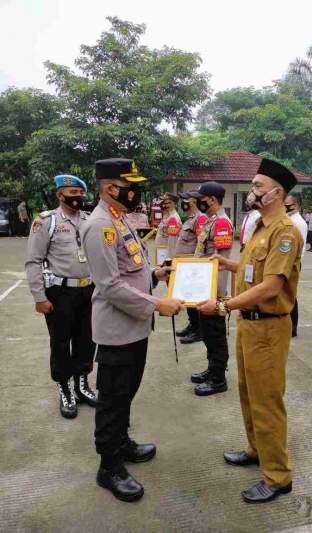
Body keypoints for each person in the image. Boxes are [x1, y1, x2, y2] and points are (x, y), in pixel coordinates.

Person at [198, 158, 302, 504]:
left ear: (277, 192)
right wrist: (224, 263)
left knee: (267, 401)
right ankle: (256, 450)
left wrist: (226, 305)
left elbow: (271, 286)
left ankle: (277, 476)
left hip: (269, 329)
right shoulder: (260, 226)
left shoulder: (284, 231)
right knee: (247, 393)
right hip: (249, 326)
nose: (252, 191)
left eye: (258, 186)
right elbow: (250, 270)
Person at [81, 158, 183, 502]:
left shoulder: (118, 217)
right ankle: (108, 467)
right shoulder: (99, 226)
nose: (137, 191)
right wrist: (157, 304)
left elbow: (131, 267)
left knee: (126, 392)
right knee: (112, 399)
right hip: (116, 330)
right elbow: (109, 285)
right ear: (111, 188)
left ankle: (121, 443)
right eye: (131, 185)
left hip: (134, 327)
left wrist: (156, 275)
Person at [25, 175, 97, 419]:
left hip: (89, 290)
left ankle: (82, 384)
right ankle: (65, 388)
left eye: (79, 193)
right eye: (71, 193)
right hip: (60, 293)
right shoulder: (47, 222)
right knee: (60, 342)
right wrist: (38, 296)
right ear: (59, 195)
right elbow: (34, 260)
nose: (77, 197)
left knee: (87, 339)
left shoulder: (89, 220)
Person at [190, 181, 233, 396]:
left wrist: (213, 294)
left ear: (212, 200)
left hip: (213, 289)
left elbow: (219, 260)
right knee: (207, 334)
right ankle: (211, 368)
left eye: (201, 198)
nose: (199, 202)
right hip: (202, 286)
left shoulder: (222, 223)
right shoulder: (210, 221)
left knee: (215, 335)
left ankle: (219, 378)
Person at [175, 191, 208, 344]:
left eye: (186, 200)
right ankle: (193, 325)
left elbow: (201, 244)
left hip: (193, 267)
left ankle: (198, 330)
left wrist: (196, 266)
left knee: (194, 301)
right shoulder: (190, 219)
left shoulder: (200, 218)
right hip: (185, 267)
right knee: (188, 299)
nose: (183, 203)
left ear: (194, 202)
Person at [284, 193, 307, 337]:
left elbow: (300, 248)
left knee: (290, 294)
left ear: (296, 205)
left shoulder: (298, 222)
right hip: (285, 261)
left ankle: (293, 327)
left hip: (292, 263)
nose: (284, 206)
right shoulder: (288, 220)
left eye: (287, 204)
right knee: (284, 294)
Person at [154, 192, 182, 258]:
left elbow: (172, 242)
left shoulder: (173, 218)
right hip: (161, 251)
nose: (163, 204)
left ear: (172, 203)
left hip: (166, 253)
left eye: (165, 201)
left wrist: (170, 258)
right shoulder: (167, 215)